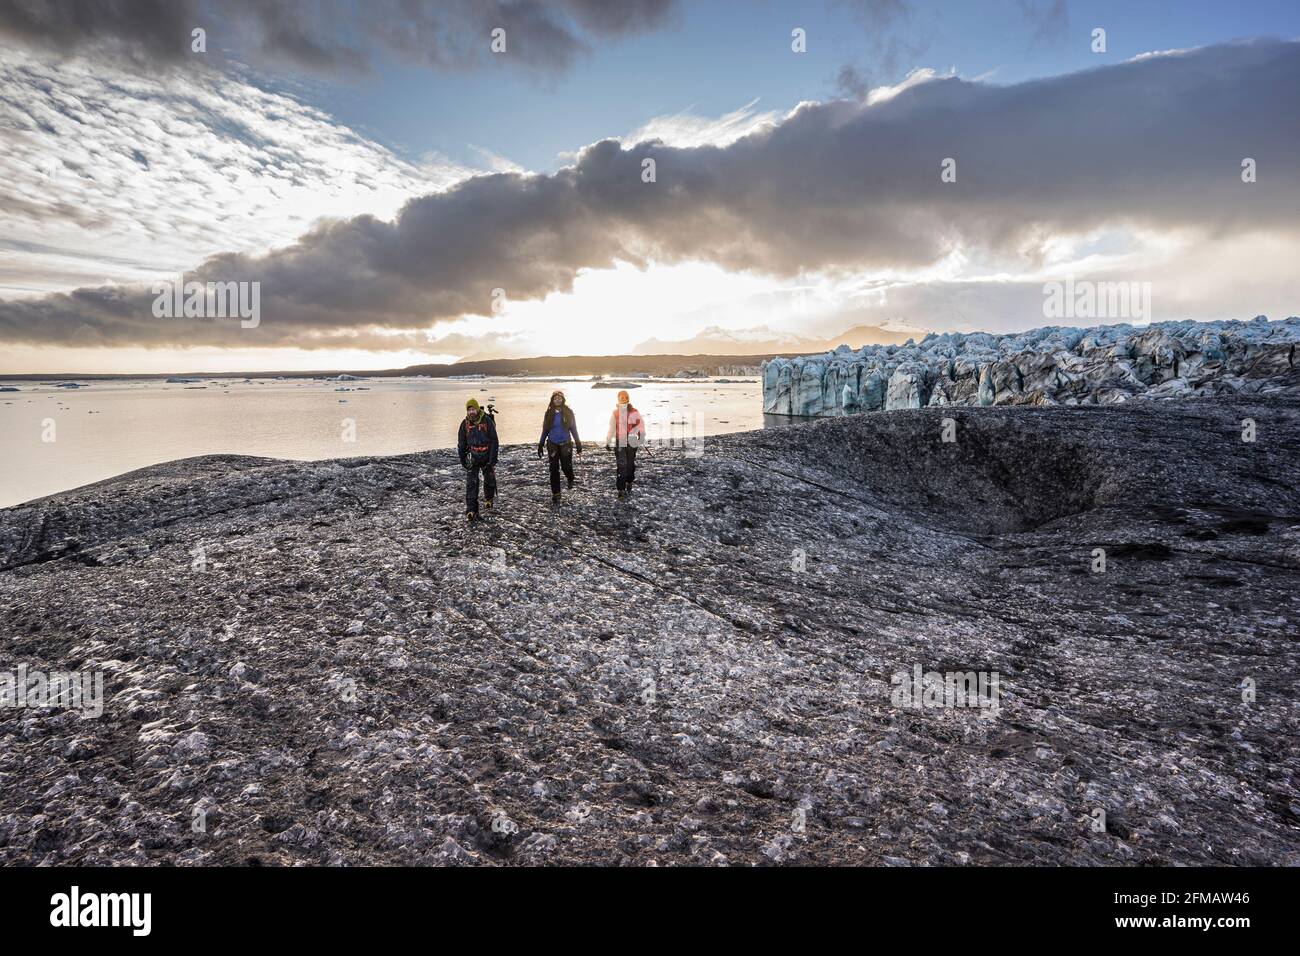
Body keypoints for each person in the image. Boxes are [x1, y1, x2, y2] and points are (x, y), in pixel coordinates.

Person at [537, 390, 582, 503]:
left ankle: (570, 477)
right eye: (555, 398)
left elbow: (573, 428)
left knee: (566, 467)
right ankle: (556, 493)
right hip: (552, 444)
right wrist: (541, 444)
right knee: (554, 470)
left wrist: (578, 443)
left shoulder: (568, 412)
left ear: (562, 400)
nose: (557, 400)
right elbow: (545, 429)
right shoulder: (548, 413)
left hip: (565, 443)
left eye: (559, 398)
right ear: (552, 400)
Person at [457, 398, 498, 521]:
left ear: (477, 409)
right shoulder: (464, 424)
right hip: (472, 456)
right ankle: (471, 510)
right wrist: (463, 459)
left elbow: (494, 441)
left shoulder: (487, 421)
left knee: (489, 479)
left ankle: (489, 499)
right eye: (469, 410)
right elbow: (461, 443)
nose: (471, 412)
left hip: (486, 455)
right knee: (471, 484)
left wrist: (492, 459)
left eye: (473, 409)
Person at [604, 389, 646, 500]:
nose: (623, 399)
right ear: (618, 399)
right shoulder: (615, 413)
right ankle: (621, 489)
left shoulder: (634, 411)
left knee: (630, 465)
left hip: (632, 440)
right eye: (621, 397)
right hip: (619, 441)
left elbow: (640, 425)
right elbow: (612, 428)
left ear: (628, 398)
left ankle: (629, 480)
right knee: (621, 465)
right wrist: (608, 441)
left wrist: (641, 437)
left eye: (625, 397)